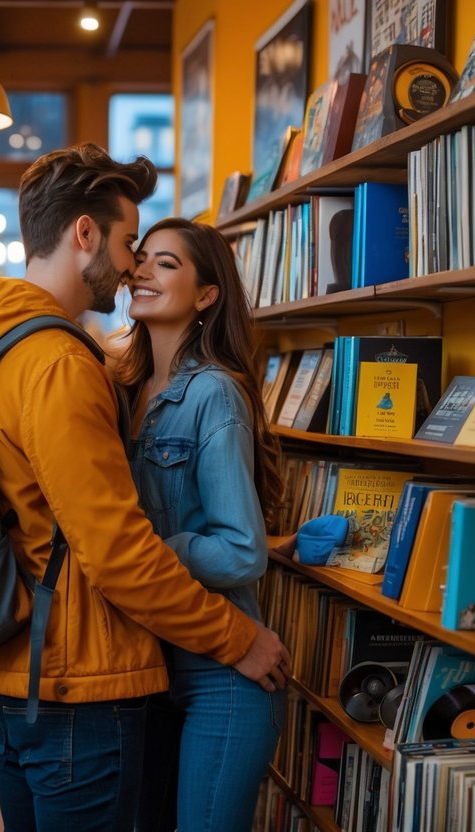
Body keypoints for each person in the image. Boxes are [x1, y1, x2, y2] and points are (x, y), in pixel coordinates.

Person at [0, 143, 289, 832]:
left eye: (158, 257)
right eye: (132, 243)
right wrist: (236, 635)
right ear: (84, 234)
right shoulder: (60, 365)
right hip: (77, 675)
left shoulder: (6, 349)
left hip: (37, 662)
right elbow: (116, 550)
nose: (132, 264)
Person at [122, 218, 285, 832]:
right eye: (140, 259)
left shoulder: (212, 393)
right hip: (140, 664)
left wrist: (153, 552)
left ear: (207, 295)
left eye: (165, 264)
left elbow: (242, 553)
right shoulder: (123, 390)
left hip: (222, 673)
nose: (141, 270)